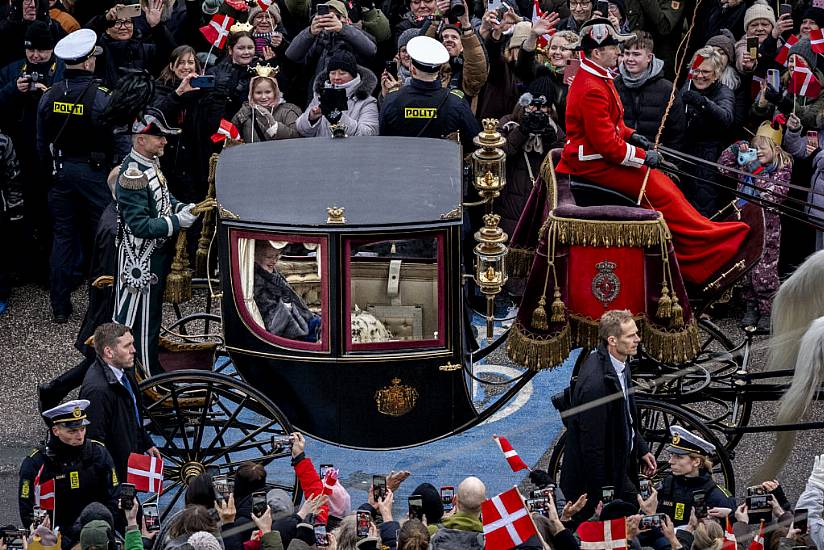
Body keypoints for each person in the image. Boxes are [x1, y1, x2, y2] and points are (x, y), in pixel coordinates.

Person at [554, 17, 752, 286]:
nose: (620, 53)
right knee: (659, 189)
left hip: (598, 156)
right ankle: (706, 244)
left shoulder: (597, 76)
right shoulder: (592, 86)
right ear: (598, 52)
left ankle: (707, 234)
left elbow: (613, 125)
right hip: (593, 163)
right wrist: (642, 156)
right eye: (615, 48)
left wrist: (632, 135)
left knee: (663, 185)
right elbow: (606, 146)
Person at [35, 28, 129, 323]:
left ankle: (60, 307)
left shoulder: (49, 95)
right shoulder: (102, 98)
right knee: (101, 239)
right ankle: (100, 308)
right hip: (94, 175)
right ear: (89, 61)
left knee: (63, 238)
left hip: (60, 174)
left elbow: (40, 142)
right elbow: (121, 141)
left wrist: (53, 170)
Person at [113, 109, 202, 375]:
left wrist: (182, 208)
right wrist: (177, 222)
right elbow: (139, 226)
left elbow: (163, 198)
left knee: (150, 320)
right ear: (141, 139)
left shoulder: (149, 164)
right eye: (158, 137)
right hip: (141, 260)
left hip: (154, 257)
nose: (164, 141)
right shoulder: (132, 175)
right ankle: (146, 374)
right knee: (142, 323)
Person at [560, 309, 655, 520]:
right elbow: (593, 448)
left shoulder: (620, 363)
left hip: (620, 465)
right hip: (606, 479)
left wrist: (640, 448)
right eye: (631, 336)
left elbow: (626, 415)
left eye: (636, 333)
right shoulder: (596, 386)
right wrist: (605, 494)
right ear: (612, 340)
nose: (637, 339)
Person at [718, 122, 791, 331]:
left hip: (768, 226)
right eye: (755, 148)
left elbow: (773, 194)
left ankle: (768, 310)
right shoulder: (746, 163)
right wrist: (734, 151)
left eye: (762, 149)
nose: (757, 152)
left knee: (764, 270)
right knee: (747, 265)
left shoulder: (782, 168)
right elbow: (723, 167)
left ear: (776, 150)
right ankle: (751, 306)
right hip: (745, 221)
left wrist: (757, 170)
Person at [18, 399, 119, 549]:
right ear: (56, 430)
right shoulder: (36, 463)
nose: (80, 435)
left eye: (82, 429)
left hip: (95, 536)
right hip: (54, 540)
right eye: (72, 431)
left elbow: (114, 498)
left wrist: (97, 532)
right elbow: (27, 509)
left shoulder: (99, 453)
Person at [78, 323, 161, 482]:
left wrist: (146, 443)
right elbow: (95, 444)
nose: (133, 350)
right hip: (115, 476)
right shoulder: (97, 391)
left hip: (126, 463)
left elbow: (133, 414)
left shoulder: (124, 372)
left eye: (132, 344)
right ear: (109, 351)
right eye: (127, 346)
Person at [380, 35, 481, 149]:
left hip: (403, 164)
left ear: (412, 69)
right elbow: (474, 141)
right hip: (444, 164)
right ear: (439, 70)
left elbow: (383, 141)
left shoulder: (393, 99)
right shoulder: (456, 102)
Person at [680, 47, 735, 217]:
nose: (699, 75)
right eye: (696, 70)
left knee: (702, 211)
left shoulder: (723, 92)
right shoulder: (687, 87)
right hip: (682, 155)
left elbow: (726, 117)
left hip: (708, 160)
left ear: (717, 74)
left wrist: (702, 102)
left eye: (706, 71)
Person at [614, 32, 684, 150]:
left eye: (636, 54)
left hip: (654, 161)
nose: (630, 59)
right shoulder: (615, 84)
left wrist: (666, 162)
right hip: (621, 156)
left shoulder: (667, 90)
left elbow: (677, 133)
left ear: (649, 57)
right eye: (627, 53)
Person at [655, 426, 736, 527]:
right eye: (672, 455)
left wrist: (731, 515)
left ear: (696, 462)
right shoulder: (666, 484)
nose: (670, 461)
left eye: (679, 457)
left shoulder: (717, 497)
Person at [295, 49, 379, 137]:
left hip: (352, 150)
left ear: (353, 75)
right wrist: (311, 117)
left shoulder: (367, 101)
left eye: (342, 73)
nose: (336, 77)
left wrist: (339, 118)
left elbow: (370, 133)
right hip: (320, 149)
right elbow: (301, 129)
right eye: (332, 73)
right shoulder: (319, 96)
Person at [253, 240, 321, 341]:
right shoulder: (258, 284)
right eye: (269, 257)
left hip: (302, 321)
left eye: (277, 256)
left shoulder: (273, 275)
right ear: (255, 257)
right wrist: (286, 302)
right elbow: (274, 327)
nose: (274, 261)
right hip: (294, 332)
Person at [232, 65, 301, 142]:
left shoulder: (288, 111)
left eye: (268, 92)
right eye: (258, 93)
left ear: (275, 92)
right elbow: (231, 137)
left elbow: (298, 138)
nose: (263, 97)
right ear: (251, 93)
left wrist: (274, 125)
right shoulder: (244, 113)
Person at [429, 476, 485, 549]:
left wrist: (444, 520)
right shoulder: (491, 539)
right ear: (484, 504)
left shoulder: (431, 532)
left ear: (454, 500)